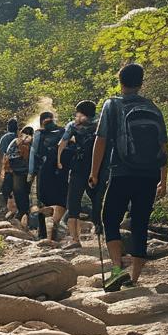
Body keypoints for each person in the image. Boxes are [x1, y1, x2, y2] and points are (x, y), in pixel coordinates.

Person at [90, 63, 168, 292]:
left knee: (110, 218)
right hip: (149, 173)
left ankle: (116, 271)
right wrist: (164, 179)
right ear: (141, 82)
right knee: (140, 222)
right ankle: (134, 279)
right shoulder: (152, 107)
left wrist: (94, 173)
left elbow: (101, 140)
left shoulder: (112, 104)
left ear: (120, 81)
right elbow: (164, 145)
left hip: (122, 171)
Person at [57, 100, 100, 247]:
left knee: (73, 204)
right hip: (97, 168)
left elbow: (61, 144)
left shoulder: (73, 125)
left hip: (78, 168)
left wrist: (59, 162)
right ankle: (101, 231)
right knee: (98, 201)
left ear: (80, 112)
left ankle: (75, 240)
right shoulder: (100, 123)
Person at [29, 112, 68, 240]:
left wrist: (31, 173)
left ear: (41, 121)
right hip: (61, 171)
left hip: (44, 172)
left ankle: (43, 233)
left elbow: (34, 154)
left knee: (42, 202)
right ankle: (56, 225)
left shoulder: (39, 133)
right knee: (61, 201)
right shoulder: (64, 131)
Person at [5, 125, 34, 223]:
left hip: (19, 171)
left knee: (20, 192)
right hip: (26, 171)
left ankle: (23, 212)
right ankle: (25, 213)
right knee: (24, 192)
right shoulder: (31, 142)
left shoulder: (16, 141)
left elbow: (8, 154)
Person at [0, 118, 19, 217]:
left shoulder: (5, 137)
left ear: (8, 127)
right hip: (23, 168)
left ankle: (11, 209)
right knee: (19, 189)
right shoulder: (20, 136)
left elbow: (0, 154)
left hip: (10, 168)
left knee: (6, 189)